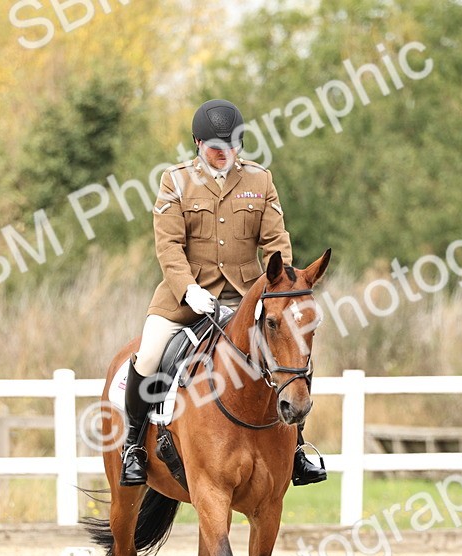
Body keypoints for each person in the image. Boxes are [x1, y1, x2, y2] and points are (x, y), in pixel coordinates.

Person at [118, 98, 326, 487]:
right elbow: (168, 246)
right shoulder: (175, 181)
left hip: (247, 298)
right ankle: (134, 447)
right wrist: (189, 290)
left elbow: (276, 240)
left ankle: (296, 450)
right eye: (216, 148)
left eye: (232, 146)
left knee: (291, 352)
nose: (225, 154)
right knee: (147, 356)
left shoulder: (259, 180)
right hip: (186, 299)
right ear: (198, 143)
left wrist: (276, 284)